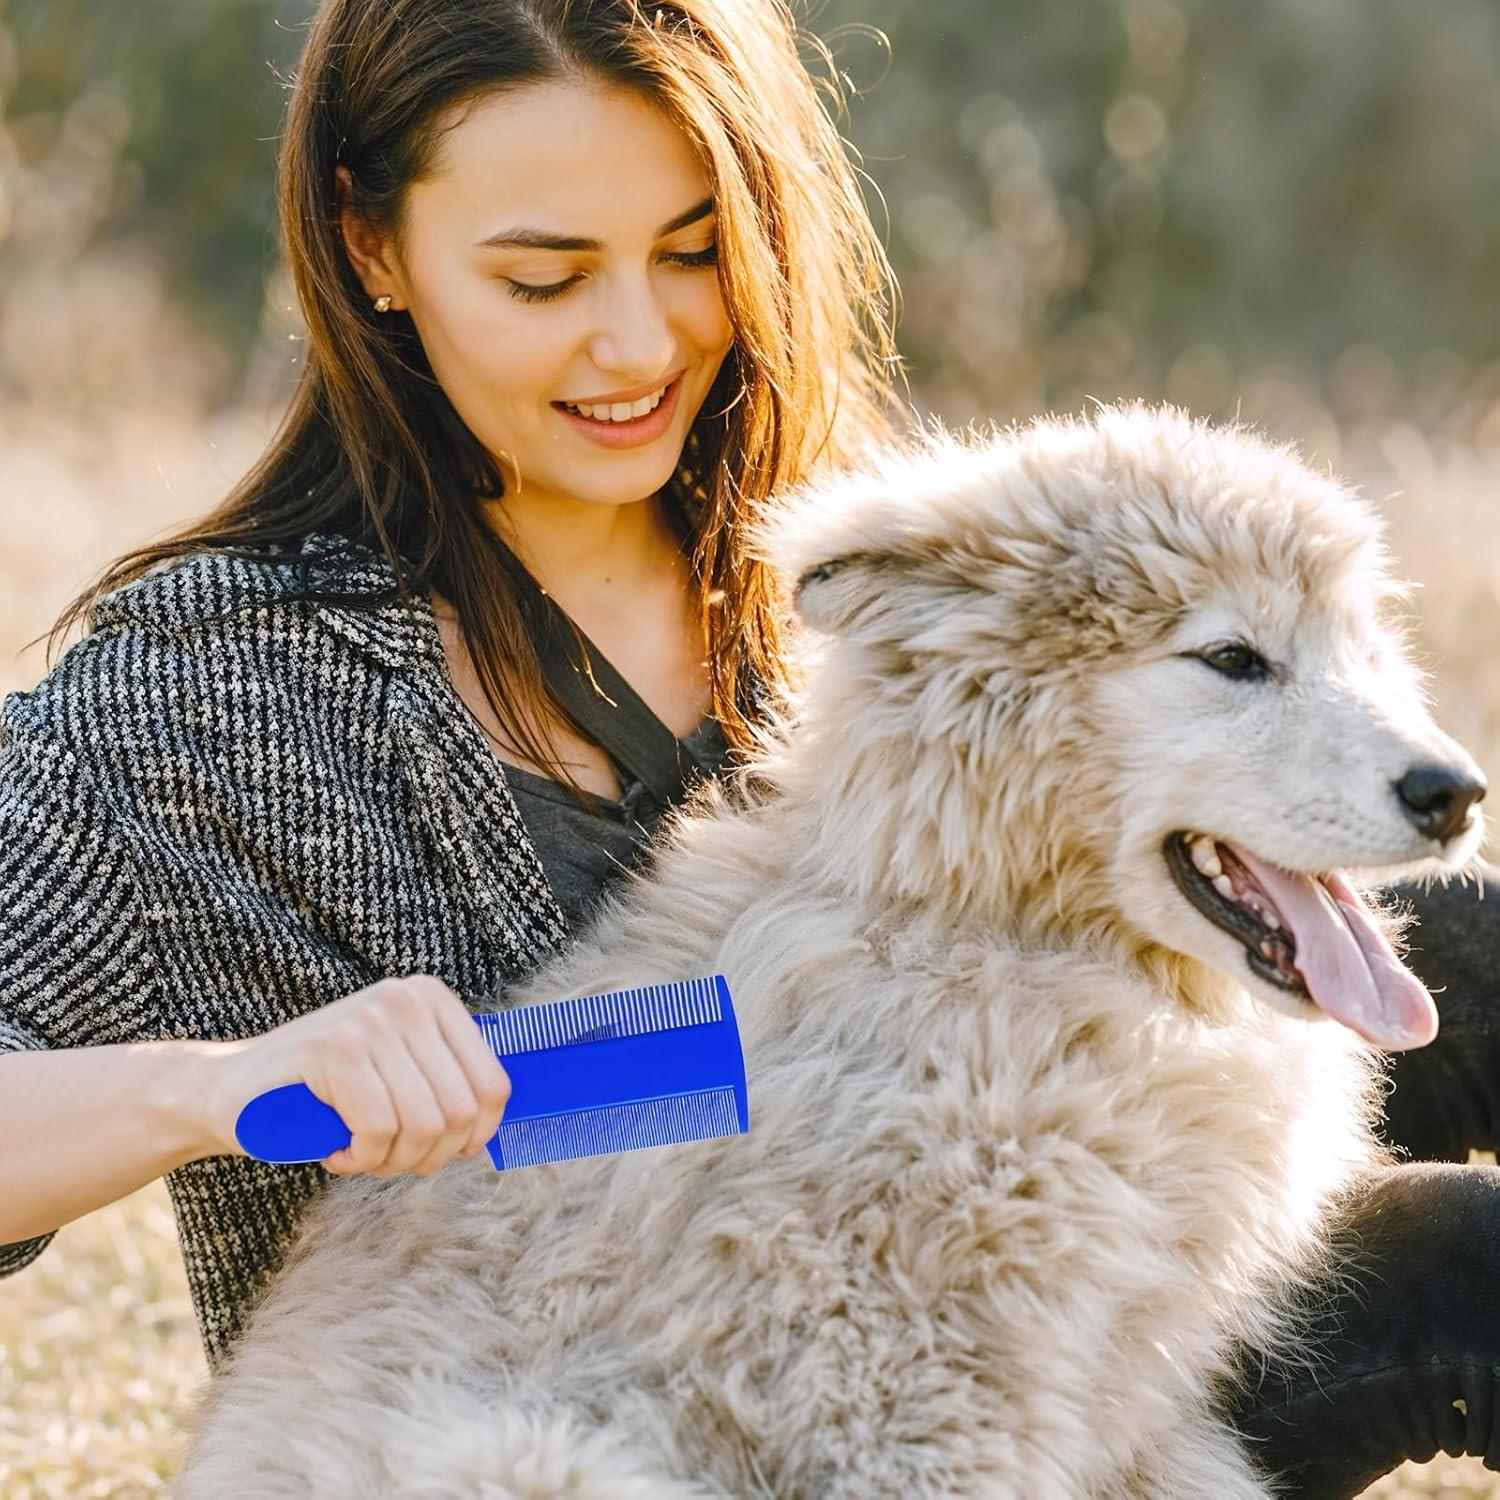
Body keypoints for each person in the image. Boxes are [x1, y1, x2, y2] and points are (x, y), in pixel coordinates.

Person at [0, 2, 1493, 1493]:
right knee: (1460, 1272)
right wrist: (219, 1082)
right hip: (637, 1378)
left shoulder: (856, 566)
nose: (639, 341)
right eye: (544, 276)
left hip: (1044, 1248)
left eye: (696, 249)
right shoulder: (204, 694)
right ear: (372, 247)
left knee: (1473, 959)